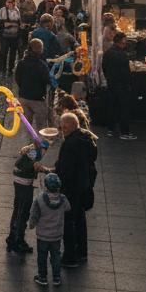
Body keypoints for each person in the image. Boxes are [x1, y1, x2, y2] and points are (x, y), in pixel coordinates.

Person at [54, 112, 97, 267]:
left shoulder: (69, 145)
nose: (61, 129)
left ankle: (70, 256)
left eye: (64, 127)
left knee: (68, 222)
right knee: (80, 221)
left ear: (72, 127)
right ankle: (82, 252)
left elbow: (65, 170)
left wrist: (51, 171)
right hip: (84, 187)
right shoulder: (86, 139)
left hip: (71, 190)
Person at [28, 173, 70, 287]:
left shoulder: (40, 199)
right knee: (56, 256)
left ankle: (42, 277)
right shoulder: (63, 199)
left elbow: (34, 214)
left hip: (42, 236)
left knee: (42, 256)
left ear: (46, 186)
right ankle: (56, 277)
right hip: (56, 235)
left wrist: (31, 224)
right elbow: (68, 208)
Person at [7, 139, 48, 254]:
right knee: (22, 213)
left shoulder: (32, 149)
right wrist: (45, 170)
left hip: (20, 182)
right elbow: (32, 165)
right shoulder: (35, 152)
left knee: (17, 211)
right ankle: (17, 241)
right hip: (24, 184)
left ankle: (12, 238)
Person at [103, 31, 136, 141]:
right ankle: (124, 132)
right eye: (124, 42)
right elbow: (125, 72)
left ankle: (111, 129)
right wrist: (129, 83)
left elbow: (104, 67)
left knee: (112, 107)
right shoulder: (122, 55)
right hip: (121, 85)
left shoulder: (108, 52)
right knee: (123, 109)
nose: (125, 44)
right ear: (121, 42)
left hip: (111, 83)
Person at [15, 38, 51, 131]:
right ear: (40, 50)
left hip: (24, 97)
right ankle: (39, 144)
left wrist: (23, 87)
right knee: (41, 127)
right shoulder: (42, 65)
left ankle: (29, 143)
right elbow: (47, 80)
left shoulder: (21, 63)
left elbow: (17, 79)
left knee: (28, 127)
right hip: (38, 99)